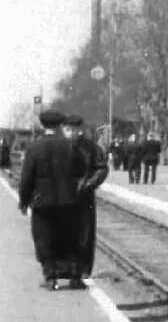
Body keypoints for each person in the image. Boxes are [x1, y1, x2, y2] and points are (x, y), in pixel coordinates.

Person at [18, 110, 85, 290]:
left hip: (42, 203)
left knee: (44, 239)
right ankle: (75, 277)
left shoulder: (34, 148)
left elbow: (26, 179)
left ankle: (50, 278)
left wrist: (24, 202)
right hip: (69, 202)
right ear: (60, 126)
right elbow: (81, 170)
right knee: (71, 238)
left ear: (43, 126)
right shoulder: (71, 146)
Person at [62, 115, 109, 282]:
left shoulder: (91, 148)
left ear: (80, 129)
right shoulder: (58, 147)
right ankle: (66, 268)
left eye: (74, 129)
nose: (71, 133)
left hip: (84, 196)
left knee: (85, 234)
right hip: (63, 196)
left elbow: (102, 168)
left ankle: (82, 270)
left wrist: (89, 184)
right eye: (68, 129)